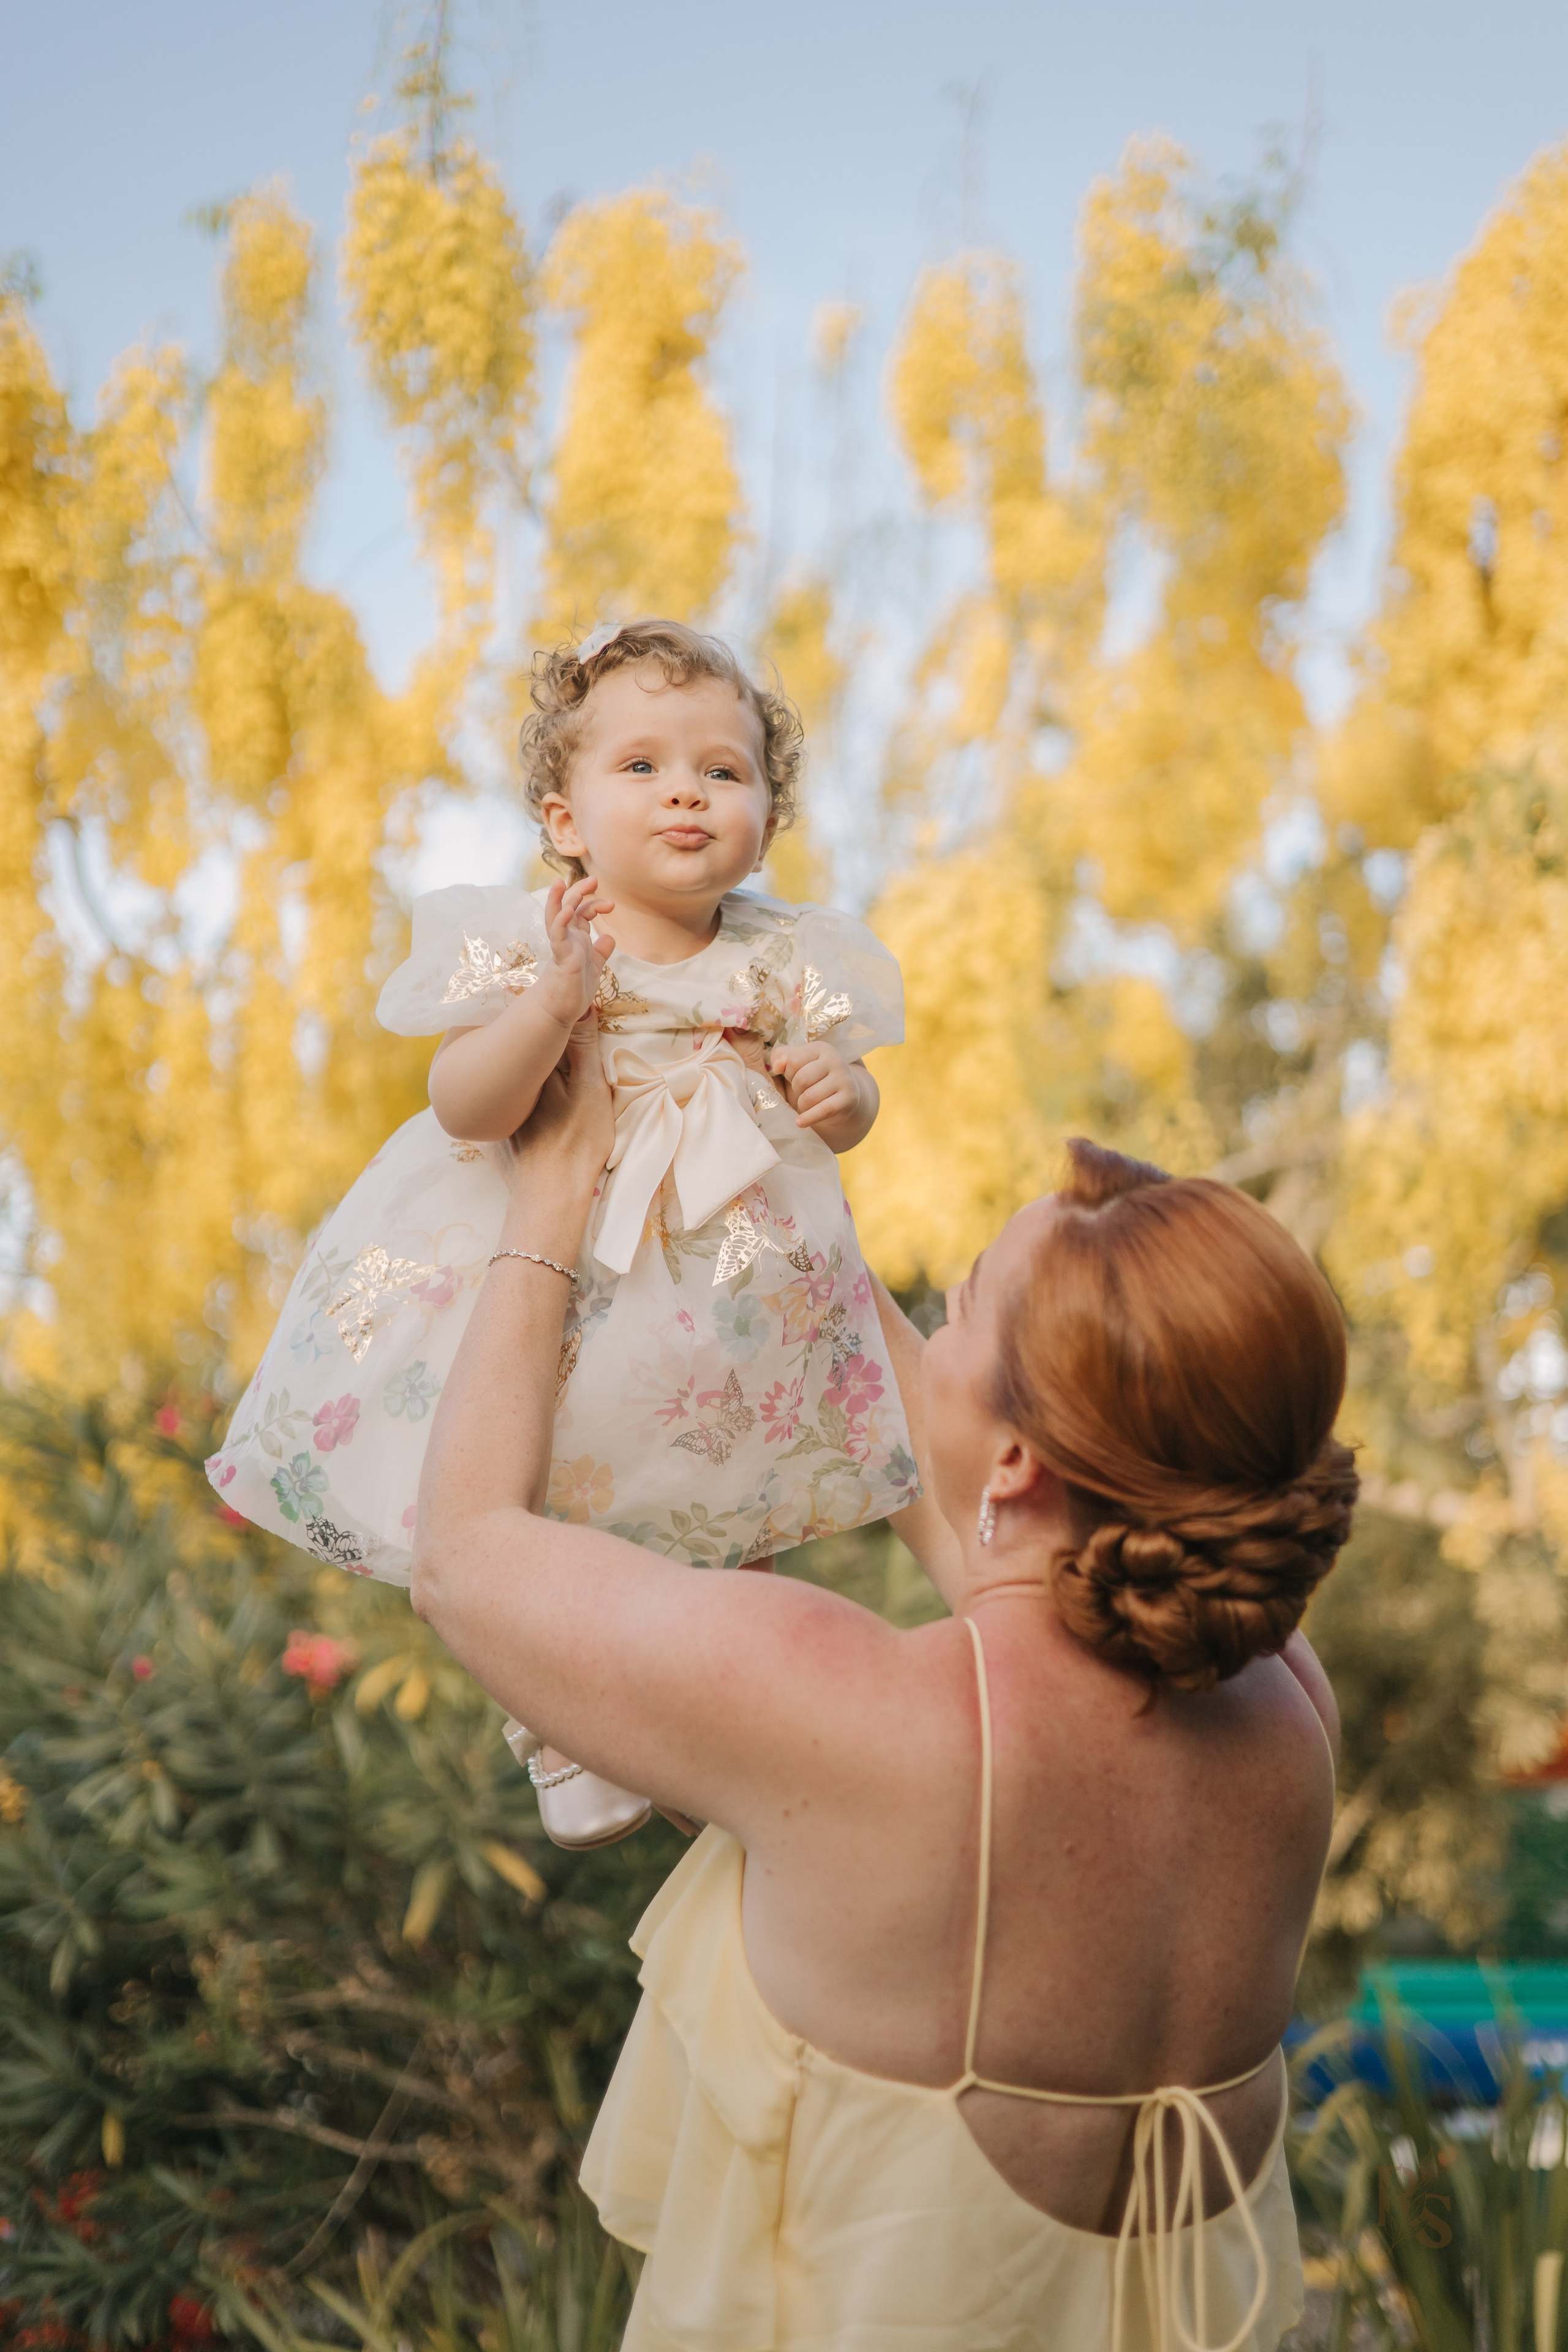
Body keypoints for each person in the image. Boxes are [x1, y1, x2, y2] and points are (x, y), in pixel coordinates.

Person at [411, 1025, 1357, 2352]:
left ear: (1020, 1461)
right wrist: (769, 1176)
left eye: (959, 1308)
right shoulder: (1288, 1712)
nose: (933, 1328)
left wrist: (556, 1184)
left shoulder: (853, 1709)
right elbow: (981, 1507)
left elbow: (461, 1556)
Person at [206, 619, 918, 1845]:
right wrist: (548, 1008)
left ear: (766, 820)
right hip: (552, 1275)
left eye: (723, 770)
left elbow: (848, 1106)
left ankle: (709, 1711)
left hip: (719, 1279)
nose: (685, 791)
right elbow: (465, 1105)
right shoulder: (533, 940)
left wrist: (839, 1093)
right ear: (565, 820)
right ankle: (561, 1719)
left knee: (720, 1488)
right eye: (641, 765)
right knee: (540, 1474)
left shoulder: (783, 957)